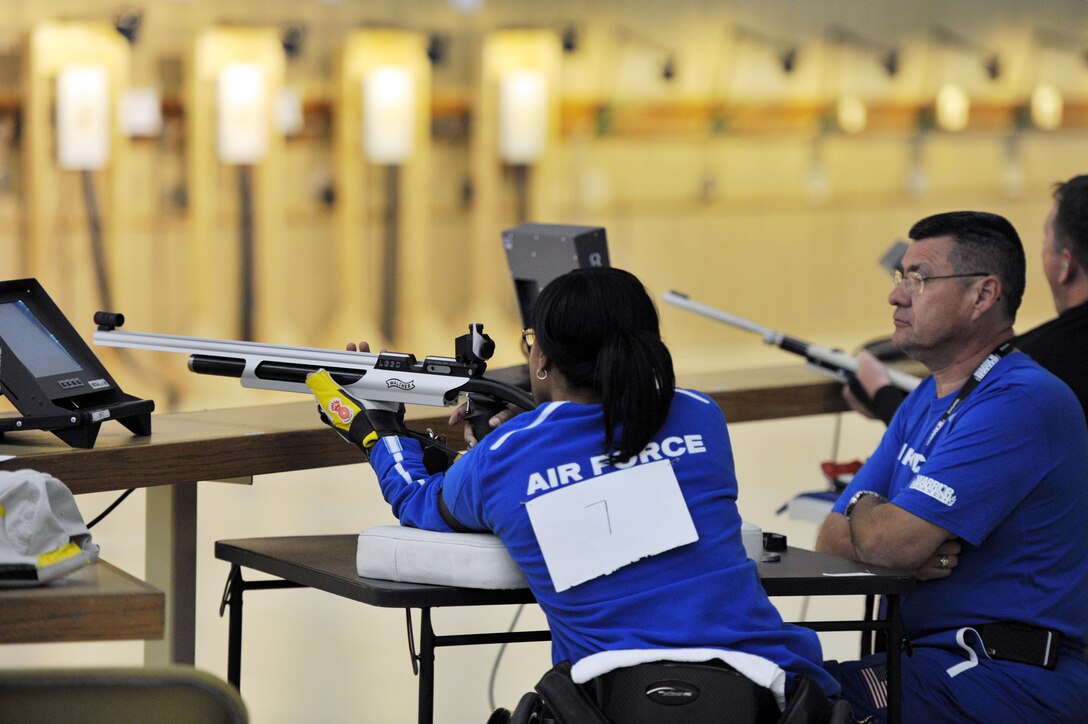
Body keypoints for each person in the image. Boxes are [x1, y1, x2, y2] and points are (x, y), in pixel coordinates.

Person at [309, 267, 841, 720]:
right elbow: (605, 456)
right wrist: (522, 431)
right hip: (770, 696)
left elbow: (417, 499)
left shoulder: (509, 454)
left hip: (608, 703)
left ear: (541, 360)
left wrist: (377, 427)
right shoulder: (701, 415)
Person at [816, 211, 1088, 722]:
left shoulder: (1020, 401)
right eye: (900, 278)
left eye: (916, 279)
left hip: (1004, 678)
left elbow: (889, 543)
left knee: (801, 703)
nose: (896, 296)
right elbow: (829, 537)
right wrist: (878, 525)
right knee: (776, 684)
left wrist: (877, 523)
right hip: (930, 666)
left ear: (982, 295)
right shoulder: (925, 395)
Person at [846, 174, 1088, 423]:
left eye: (1045, 240)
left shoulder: (1024, 370)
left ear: (1065, 263)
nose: (895, 297)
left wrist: (882, 396)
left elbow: (952, 434)